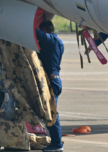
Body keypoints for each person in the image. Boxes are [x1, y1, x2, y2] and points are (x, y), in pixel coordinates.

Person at [35, 20, 65, 152]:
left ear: (45, 31)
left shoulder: (50, 40)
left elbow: (34, 32)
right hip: (55, 80)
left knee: (52, 113)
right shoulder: (59, 42)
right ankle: (55, 142)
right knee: (50, 112)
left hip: (51, 82)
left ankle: (57, 144)